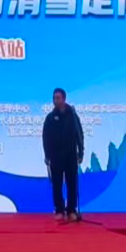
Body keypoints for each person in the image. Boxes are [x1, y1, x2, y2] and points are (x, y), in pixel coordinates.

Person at [41, 88, 84, 223]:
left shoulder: (73, 115)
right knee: (57, 184)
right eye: (54, 98)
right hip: (55, 156)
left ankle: (71, 210)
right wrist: (47, 155)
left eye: (58, 98)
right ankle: (59, 209)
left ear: (64, 99)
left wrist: (81, 151)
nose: (55, 100)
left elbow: (79, 134)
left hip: (71, 155)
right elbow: (45, 138)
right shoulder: (50, 118)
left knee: (72, 183)